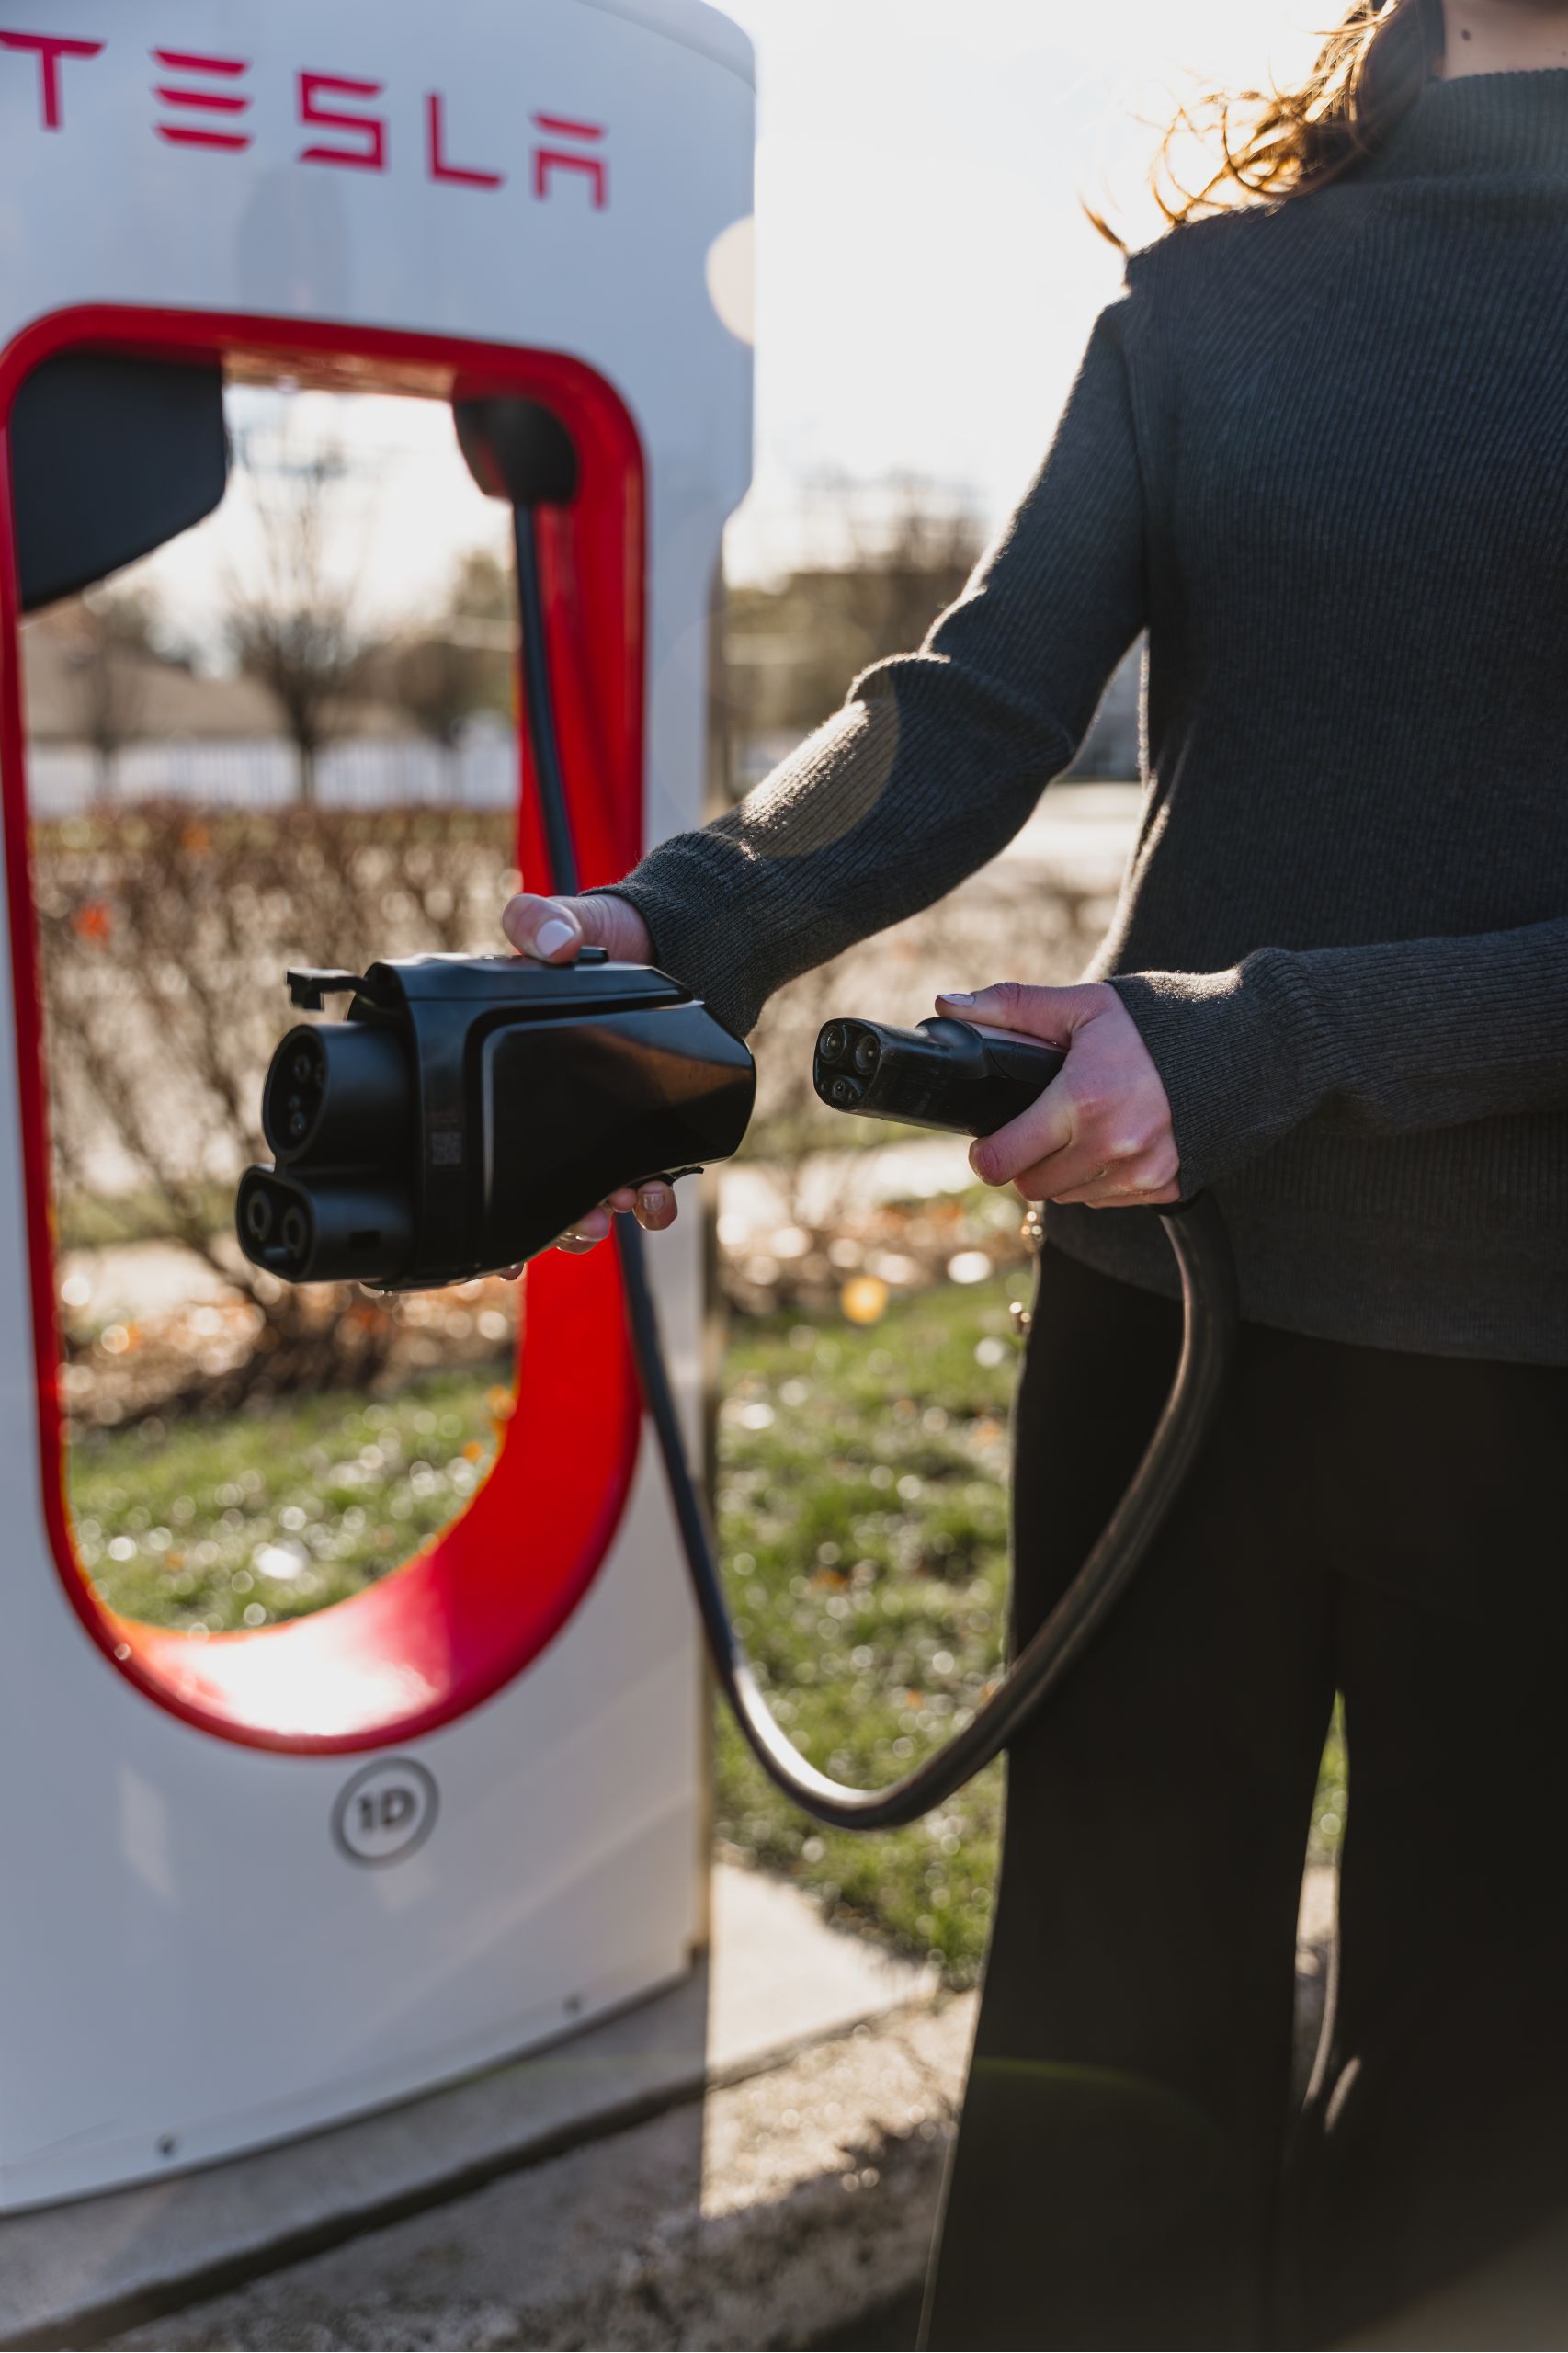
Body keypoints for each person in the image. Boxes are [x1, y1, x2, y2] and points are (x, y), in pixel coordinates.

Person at [503, 1, 1568, 2341]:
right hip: (1166, 1320)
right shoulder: (1215, 298)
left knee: (1482, 2106)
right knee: (1143, 2059)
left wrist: (1271, 1040)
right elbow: (973, 711)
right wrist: (662, 942)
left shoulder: (1218, 294)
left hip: (1459, 1360)